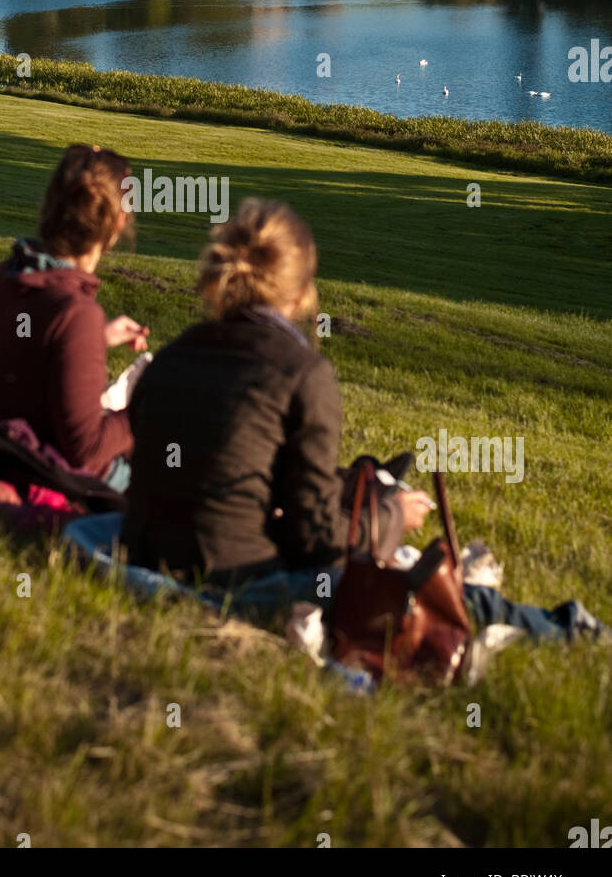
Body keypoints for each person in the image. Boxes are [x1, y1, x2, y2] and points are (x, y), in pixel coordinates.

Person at [124, 197, 609, 646]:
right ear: (298, 294)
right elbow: (313, 541)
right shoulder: (302, 374)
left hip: (148, 556)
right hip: (237, 579)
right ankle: (568, 631)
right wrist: (393, 518)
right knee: (412, 582)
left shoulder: (172, 356)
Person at [0, 144, 147, 486]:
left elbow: (25, 361)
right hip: (55, 474)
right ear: (117, 223)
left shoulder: (6, 277)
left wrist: (93, 339)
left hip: (7, 451)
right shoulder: (76, 313)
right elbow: (86, 450)